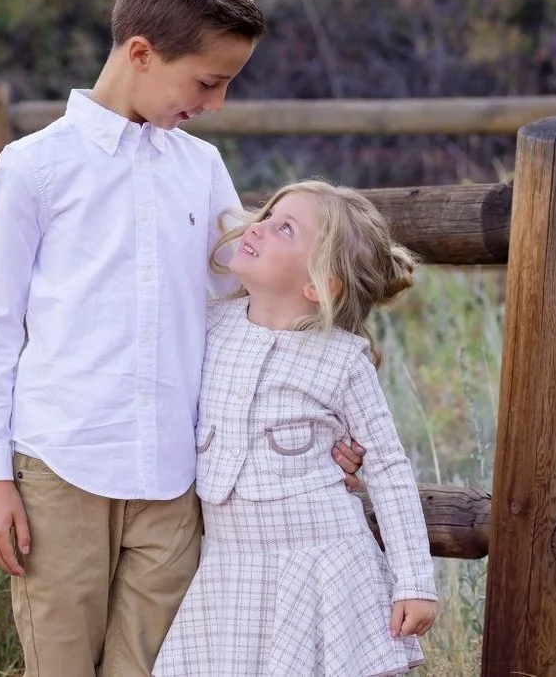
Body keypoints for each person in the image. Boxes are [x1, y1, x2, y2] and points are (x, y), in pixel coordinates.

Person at [0, 0, 358, 676]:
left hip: (176, 483)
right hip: (60, 470)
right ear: (141, 52)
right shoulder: (36, 167)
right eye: (208, 81)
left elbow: (255, 303)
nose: (215, 103)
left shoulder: (201, 168)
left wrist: (328, 412)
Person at [154, 181, 436, 675]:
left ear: (321, 284)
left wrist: (414, 580)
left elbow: (388, 466)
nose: (257, 225)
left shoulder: (341, 360)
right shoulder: (209, 325)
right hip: (230, 566)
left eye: (284, 227)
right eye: (266, 214)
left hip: (322, 564)